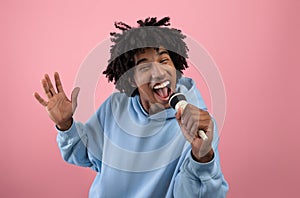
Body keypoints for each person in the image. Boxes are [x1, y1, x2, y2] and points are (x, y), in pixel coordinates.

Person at [34, 17, 228, 198]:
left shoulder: (198, 124)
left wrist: (202, 157)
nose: (159, 73)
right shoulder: (115, 107)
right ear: (130, 79)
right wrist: (66, 124)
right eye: (144, 67)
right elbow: (85, 154)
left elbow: (196, 194)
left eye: (163, 61)